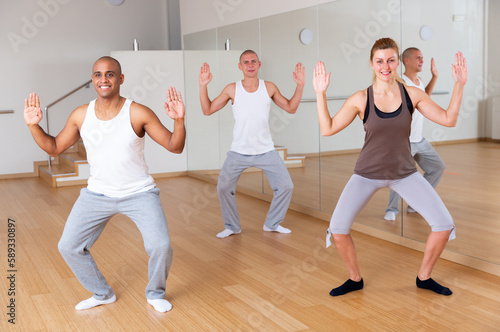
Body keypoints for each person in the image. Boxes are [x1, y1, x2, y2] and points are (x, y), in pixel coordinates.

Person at [23, 56, 186, 312]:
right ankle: (102, 293)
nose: (104, 79)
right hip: (97, 194)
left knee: (161, 245)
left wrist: (179, 121)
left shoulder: (138, 112)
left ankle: (155, 293)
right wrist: (34, 125)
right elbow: (54, 148)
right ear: (93, 80)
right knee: (68, 246)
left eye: (110, 74)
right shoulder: (81, 115)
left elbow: (175, 147)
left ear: (120, 79)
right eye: (98, 74)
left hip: (139, 193)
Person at [313, 38, 467, 296]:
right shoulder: (361, 98)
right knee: (338, 230)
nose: (386, 66)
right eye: (380, 61)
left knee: (443, 225)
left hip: (405, 174)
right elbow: (327, 129)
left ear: (397, 62)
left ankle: (424, 277)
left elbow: (448, 119)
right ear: (372, 64)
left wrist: (459, 84)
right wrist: (320, 93)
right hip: (366, 174)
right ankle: (355, 279)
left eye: (391, 60)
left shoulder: (412, 94)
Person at [199, 50, 305, 238]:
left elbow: (290, 107)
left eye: (253, 61)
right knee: (223, 187)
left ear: (259, 64)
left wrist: (300, 85)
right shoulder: (232, 89)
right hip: (238, 151)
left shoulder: (269, 87)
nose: (250, 65)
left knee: (286, 186)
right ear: (240, 67)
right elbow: (207, 110)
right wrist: (203, 85)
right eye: (245, 62)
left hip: (266, 150)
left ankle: (272, 223)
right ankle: (232, 226)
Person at [384, 47, 446, 221]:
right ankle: (392, 209)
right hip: (404, 141)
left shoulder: (418, 81)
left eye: (422, 57)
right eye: (418, 57)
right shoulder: (400, 82)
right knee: (399, 175)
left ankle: (415, 204)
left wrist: (435, 76)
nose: (422, 61)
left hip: (420, 140)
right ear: (407, 61)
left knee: (437, 168)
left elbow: (424, 97)